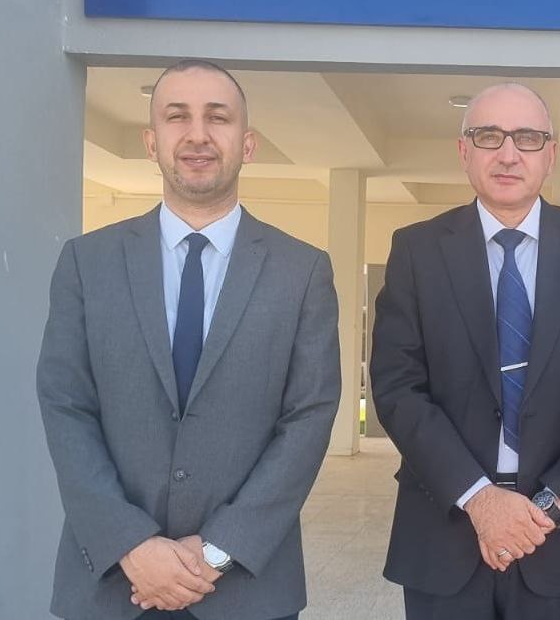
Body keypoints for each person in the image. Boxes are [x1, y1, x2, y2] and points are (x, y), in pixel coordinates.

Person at [37, 59, 341, 620]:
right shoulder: (87, 263)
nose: (197, 134)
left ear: (247, 144)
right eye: (177, 116)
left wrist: (218, 551)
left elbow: (309, 418)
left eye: (217, 118)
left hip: (246, 589)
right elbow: (66, 406)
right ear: (151, 142)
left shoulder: (302, 272)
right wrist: (130, 544)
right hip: (111, 586)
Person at [371, 82, 560, 619]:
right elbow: (397, 386)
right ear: (463, 151)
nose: (507, 153)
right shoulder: (417, 250)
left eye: (527, 137)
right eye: (488, 136)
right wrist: (479, 498)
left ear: (551, 154)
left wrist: (549, 505)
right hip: (444, 531)